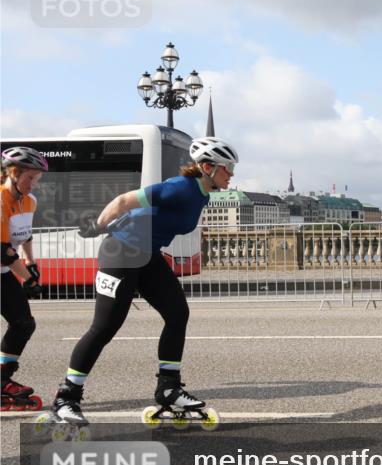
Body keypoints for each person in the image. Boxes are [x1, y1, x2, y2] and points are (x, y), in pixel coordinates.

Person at [48, 137, 239, 426]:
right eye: (228, 168)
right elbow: (124, 201)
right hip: (120, 252)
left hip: (146, 255)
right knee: (105, 327)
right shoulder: (179, 188)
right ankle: (66, 398)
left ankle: (168, 388)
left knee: (177, 313)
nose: (232, 174)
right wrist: (97, 226)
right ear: (208, 167)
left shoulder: (202, 195)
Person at [1, 147, 48, 411]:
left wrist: (31, 261)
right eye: (30, 178)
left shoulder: (29, 202)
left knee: (23, 323)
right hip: (4, 266)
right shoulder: (0, 199)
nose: (34, 184)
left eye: (37, 179)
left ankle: (2, 379)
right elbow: (3, 251)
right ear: (13, 172)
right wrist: (28, 279)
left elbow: (25, 235)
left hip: (4, 274)